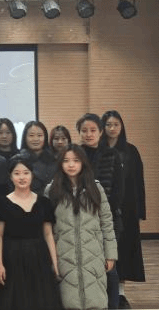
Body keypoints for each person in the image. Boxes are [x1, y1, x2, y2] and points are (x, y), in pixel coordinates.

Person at [46, 145, 118, 310]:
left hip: (94, 256)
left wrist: (110, 255)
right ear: (60, 164)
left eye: (76, 160)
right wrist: (51, 259)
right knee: (68, 301)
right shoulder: (52, 190)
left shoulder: (96, 188)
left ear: (83, 163)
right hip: (65, 257)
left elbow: (107, 223)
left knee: (96, 300)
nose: (71, 165)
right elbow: (48, 230)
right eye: (66, 161)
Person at [0, 155, 62, 310]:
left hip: (39, 257)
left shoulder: (44, 202)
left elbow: (48, 234)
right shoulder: (2, 202)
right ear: (10, 176)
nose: (22, 177)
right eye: (17, 173)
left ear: (32, 174)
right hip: (12, 258)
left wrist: (55, 263)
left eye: (26, 173)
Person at [77, 113, 124, 309]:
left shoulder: (112, 155)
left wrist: (106, 215)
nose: (89, 134)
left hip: (108, 220)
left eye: (93, 130)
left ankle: (112, 305)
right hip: (82, 221)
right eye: (84, 130)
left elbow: (118, 190)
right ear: (79, 133)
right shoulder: (75, 155)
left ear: (101, 132)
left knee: (109, 268)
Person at [101, 110, 146, 307]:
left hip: (127, 210)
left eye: (116, 124)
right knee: (105, 251)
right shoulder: (98, 150)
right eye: (108, 124)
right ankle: (104, 291)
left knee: (125, 252)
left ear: (121, 127)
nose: (112, 128)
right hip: (104, 208)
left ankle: (120, 293)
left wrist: (140, 211)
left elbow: (139, 183)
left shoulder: (131, 151)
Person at [19, 121, 56, 194]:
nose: (35, 139)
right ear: (25, 138)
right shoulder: (18, 160)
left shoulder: (54, 160)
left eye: (39, 135)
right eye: (31, 135)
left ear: (45, 137)